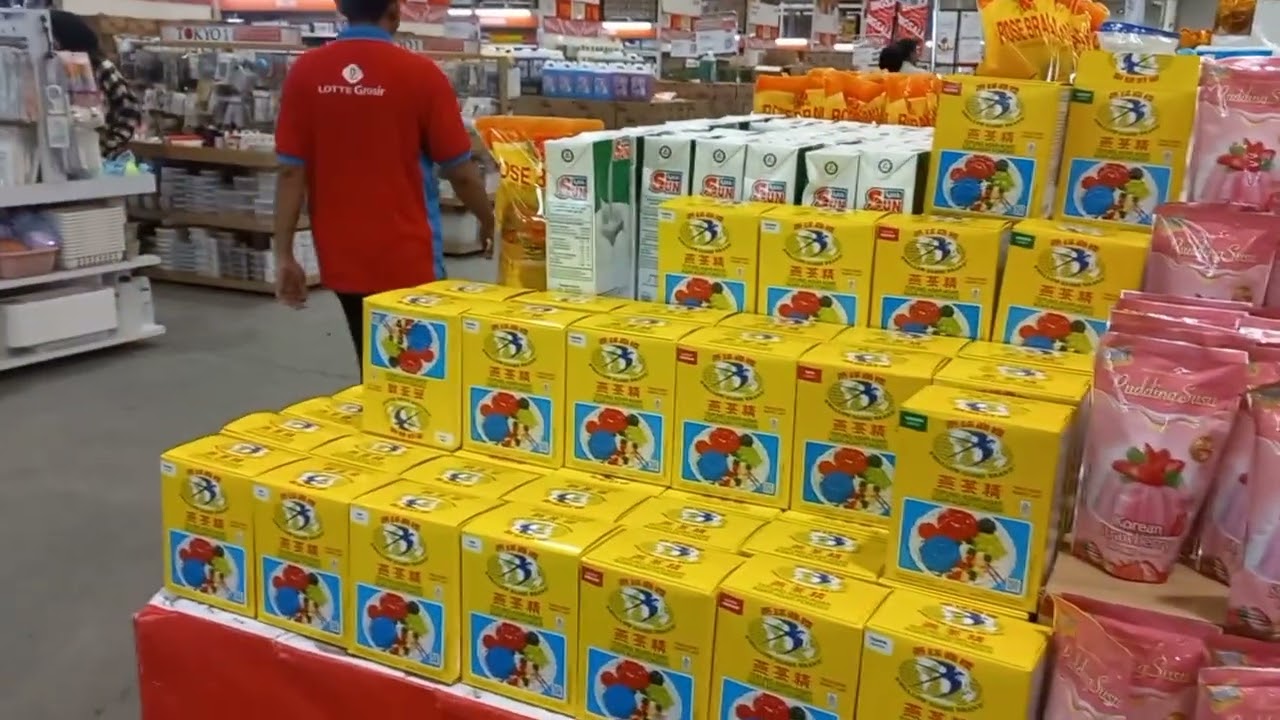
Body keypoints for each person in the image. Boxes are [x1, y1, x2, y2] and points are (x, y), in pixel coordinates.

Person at [272, 0, 494, 366]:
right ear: (395, 11)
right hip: (409, 257)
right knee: (420, 368)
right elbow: (461, 172)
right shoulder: (422, 75)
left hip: (341, 255)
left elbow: (290, 172)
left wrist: (283, 254)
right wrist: (488, 220)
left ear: (341, 8)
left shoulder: (305, 73)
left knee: (371, 360)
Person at [48, 10, 141, 159]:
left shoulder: (100, 67)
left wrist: (107, 146)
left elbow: (129, 108)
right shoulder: (51, 68)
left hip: (96, 155)